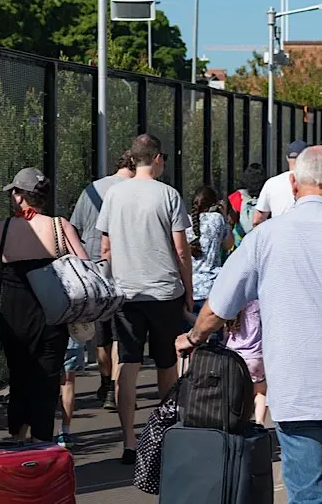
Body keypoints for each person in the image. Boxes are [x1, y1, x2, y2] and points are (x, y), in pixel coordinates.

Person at [176, 146, 322, 504]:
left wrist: (193, 338)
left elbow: (217, 309)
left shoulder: (262, 239)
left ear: (295, 185)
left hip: (295, 390)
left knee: (308, 498)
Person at [0, 168, 89, 442]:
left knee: (20, 378)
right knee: (48, 380)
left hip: (14, 317)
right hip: (53, 314)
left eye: (14, 191)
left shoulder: (1, 231)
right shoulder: (60, 226)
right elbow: (85, 268)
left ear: (20, 197)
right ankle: (42, 443)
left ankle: (17, 438)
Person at [96, 134, 193, 465]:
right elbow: (181, 250)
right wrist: (189, 290)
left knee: (128, 363)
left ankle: (129, 440)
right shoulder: (168, 195)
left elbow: (105, 249)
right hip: (164, 291)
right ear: (157, 158)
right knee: (167, 363)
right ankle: (164, 435)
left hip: (126, 292)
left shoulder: (114, 196)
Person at [69, 149, 136, 411]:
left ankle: (106, 381)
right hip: (126, 270)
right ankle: (117, 387)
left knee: (102, 334)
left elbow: (75, 228)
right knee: (121, 334)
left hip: (95, 271)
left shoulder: (92, 190)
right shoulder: (135, 191)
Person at [187, 185, 234, 322]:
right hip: (211, 287)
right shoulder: (217, 219)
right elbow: (228, 245)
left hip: (190, 288)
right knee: (211, 335)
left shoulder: (186, 221)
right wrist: (225, 217)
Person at [225, 301, 267, 425]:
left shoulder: (235, 305)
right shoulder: (259, 303)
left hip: (233, 356)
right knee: (260, 392)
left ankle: (234, 422)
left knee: (235, 392)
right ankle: (260, 423)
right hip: (256, 356)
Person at [254, 140, 307, 224]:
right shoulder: (315, 184)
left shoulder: (271, 183)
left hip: (279, 234)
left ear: (287, 158)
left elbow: (258, 220)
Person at [229, 163, 267, 245]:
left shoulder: (238, 195)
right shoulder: (266, 196)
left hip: (241, 238)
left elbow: (233, 219)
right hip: (260, 237)